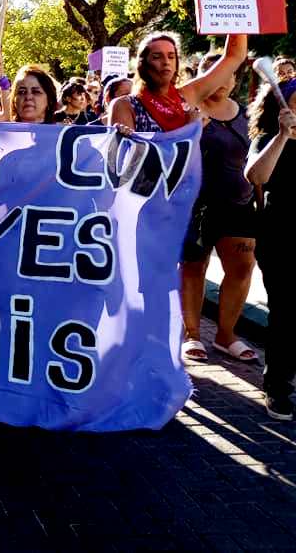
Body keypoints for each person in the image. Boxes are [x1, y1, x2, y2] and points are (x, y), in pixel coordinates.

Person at [179, 54, 257, 363]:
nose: (222, 81)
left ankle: (226, 335)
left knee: (241, 267)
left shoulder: (248, 116)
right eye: (214, 74)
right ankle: (192, 334)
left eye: (229, 75)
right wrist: (191, 129)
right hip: (194, 205)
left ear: (235, 80)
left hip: (238, 205)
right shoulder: (188, 112)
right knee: (194, 266)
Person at [245, 79, 296, 420]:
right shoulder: (268, 140)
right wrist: (282, 136)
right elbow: (256, 175)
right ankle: (277, 386)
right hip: (283, 238)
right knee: (287, 313)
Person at [108, 31, 248, 133]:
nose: (166, 62)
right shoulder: (125, 105)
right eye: (157, 57)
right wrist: (190, 127)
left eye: (171, 56)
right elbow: (126, 164)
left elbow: (234, 55)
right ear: (142, 64)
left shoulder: (187, 95)